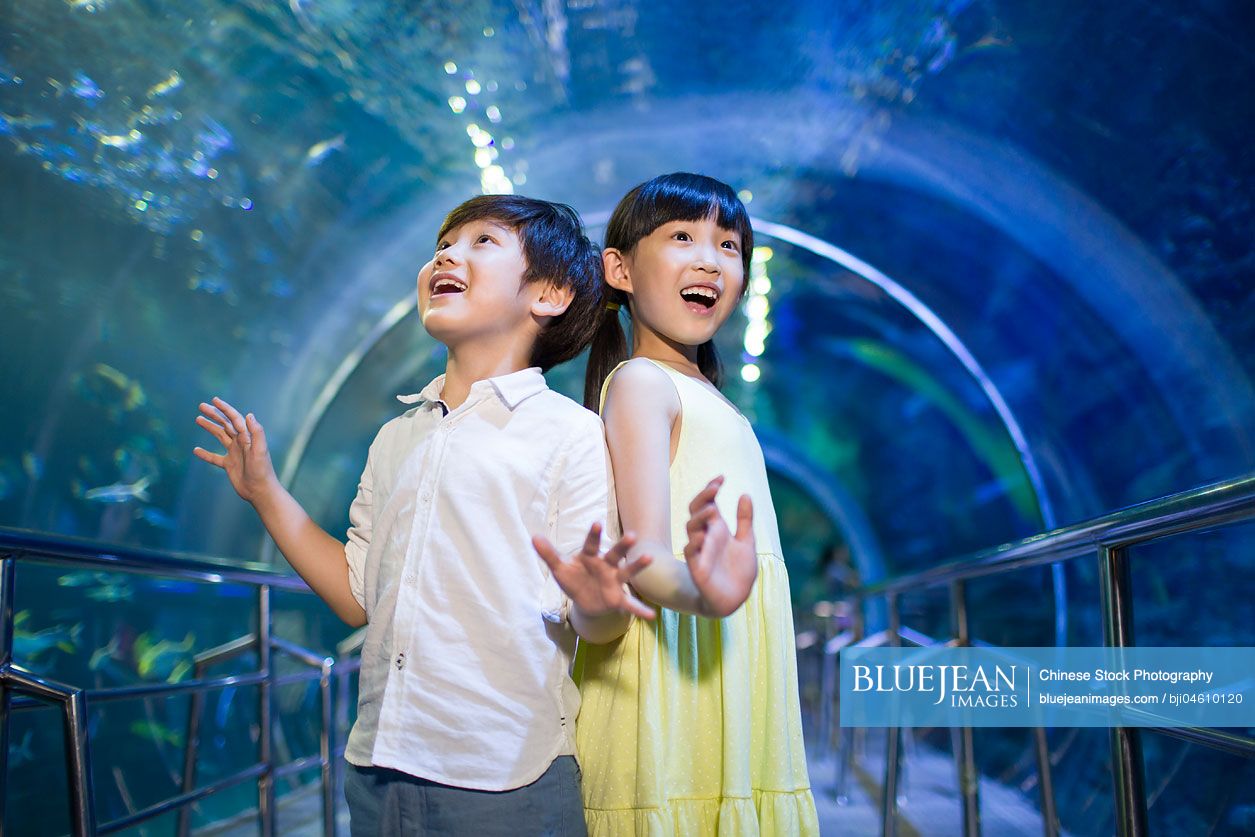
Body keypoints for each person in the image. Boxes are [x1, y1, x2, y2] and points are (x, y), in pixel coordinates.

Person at [194, 195, 657, 836]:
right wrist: (267, 492)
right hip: (377, 766)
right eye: (443, 243)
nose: (447, 254)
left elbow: (594, 622)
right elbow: (357, 597)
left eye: (482, 242)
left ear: (548, 294)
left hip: (505, 779)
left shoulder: (570, 434)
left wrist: (602, 601)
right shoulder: (395, 439)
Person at [574, 173, 820, 835]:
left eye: (729, 244)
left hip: (721, 657)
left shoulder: (712, 400)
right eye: (682, 236)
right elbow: (643, 554)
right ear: (619, 269)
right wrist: (703, 592)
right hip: (671, 674)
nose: (710, 258)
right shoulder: (641, 383)